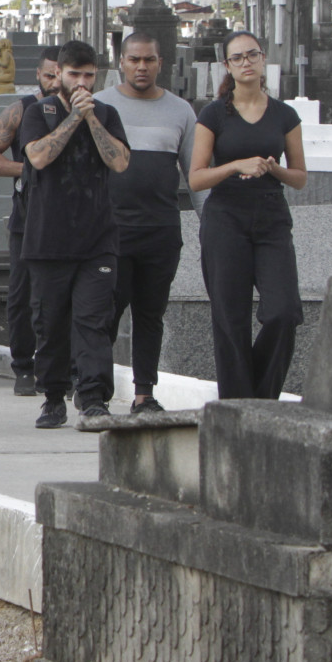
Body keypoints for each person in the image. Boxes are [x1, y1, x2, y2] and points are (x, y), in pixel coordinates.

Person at [18, 39, 131, 428]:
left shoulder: (108, 114)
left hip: (97, 239)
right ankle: (52, 396)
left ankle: (94, 395)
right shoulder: (39, 112)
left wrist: (92, 119)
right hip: (48, 238)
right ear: (59, 74)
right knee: (49, 323)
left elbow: (119, 162)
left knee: (93, 321)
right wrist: (73, 119)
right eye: (74, 74)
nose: (81, 82)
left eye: (88, 75)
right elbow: (37, 157)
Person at [190, 30, 307, 399]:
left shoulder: (284, 115)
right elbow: (195, 178)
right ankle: (238, 403)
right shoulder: (213, 114)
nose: (246, 63)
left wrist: (273, 169)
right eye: (237, 58)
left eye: (252, 55)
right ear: (227, 65)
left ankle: (262, 398)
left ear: (262, 60)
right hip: (226, 217)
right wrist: (234, 165)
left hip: (271, 216)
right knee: (230, 319)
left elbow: (300, 178)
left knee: (283, 312)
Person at [95, 32, 197, 414]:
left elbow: (194, 173)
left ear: (160, 63)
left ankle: (144, 394)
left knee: (150, 315)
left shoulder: (181, 111)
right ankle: (96, 393)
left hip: (160, 230)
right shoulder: (101, 106)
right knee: (105, 314)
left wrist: (210, 224)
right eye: (134, 59)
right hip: (111, 231)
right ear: (121, 62)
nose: (141, 67)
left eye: (149, 60)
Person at [0, 47, 60, 396]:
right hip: (29, 217)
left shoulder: (92, 113)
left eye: (62, 74)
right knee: (23, 293)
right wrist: (30, 169)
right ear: (38, 76)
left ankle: (62, 366)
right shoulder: (21, 110)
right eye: (48, 75)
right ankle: (24, 366)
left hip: (74, 219)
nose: (55, 82)